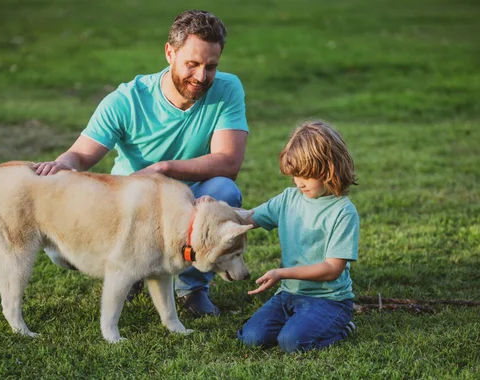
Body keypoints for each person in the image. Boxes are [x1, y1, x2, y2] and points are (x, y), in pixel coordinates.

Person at [33, 10, 249, 317]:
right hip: (129, 208)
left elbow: (229, 162)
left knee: (224, 191)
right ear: (169, 53)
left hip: (191, 201)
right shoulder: (126, 100)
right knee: (60, 255)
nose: (202, 76)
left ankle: (192, 287)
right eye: (192, 64)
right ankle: (132, 270)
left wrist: (164, 169)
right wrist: (59, 165)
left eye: (210, 66)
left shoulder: (227, 89)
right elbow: (80, 155)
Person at [236, 120, 359, 353]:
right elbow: (247, 218)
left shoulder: (343, 211)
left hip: (329, 300)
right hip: (289, 295)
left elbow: (332, 269)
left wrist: (281, 273)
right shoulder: (288, 199)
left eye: (306, 175)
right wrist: (213, 211)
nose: (298, 182)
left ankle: (342, 327)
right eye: (295, 175)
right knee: (251, 338)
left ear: (329, 168)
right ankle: (297, 322)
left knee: (292, 342)